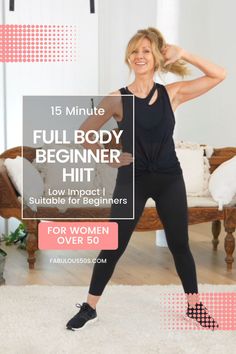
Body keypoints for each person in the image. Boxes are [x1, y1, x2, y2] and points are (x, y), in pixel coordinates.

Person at [66, 27, 226, 331]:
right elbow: (85, 132)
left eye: (146, 51)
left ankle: (194, 306)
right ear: (129, 57)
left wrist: (184, 53)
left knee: (180, 244)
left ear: (156, 58)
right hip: (132, 180)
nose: (140, 56)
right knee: (113, 247)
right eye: (135, 51)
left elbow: (220, 74)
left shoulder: (172, 94)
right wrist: (108, 156)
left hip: (168, 179)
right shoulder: (117, 99)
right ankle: (90, 307)